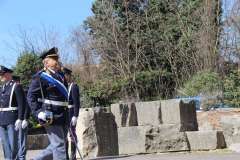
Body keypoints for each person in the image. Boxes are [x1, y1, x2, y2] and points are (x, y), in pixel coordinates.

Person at [27, 47, 68, 160]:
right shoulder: (41, 77)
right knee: (59, 146)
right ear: (46, 62)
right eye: (53, 58)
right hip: (50, 115)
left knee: (59, 144)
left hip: (63, 115)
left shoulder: (60, 75)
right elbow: (31, 96)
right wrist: (38, 112)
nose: (57, 60)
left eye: (56, 58)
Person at [0, 66, 25, 160]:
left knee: (13, 145)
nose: (1, 76)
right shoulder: (2, 88)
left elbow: (21, 104)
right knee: (5, 145)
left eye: (2, 74)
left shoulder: (16, 86)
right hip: (2, 120)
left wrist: (20, 118)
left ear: (8, 74)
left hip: (12, 119)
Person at [62, 67, 80, 160]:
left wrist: (75, 115)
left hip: (71, 113)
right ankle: (66, 157)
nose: (64, 77)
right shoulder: (63, 86)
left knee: (72, 134)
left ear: (69, 75)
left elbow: (77, 102)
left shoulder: (73, 86)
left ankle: (73, 156)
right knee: (64, 136)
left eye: (65, 75)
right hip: (64, 115)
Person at [12, 75, 30, 160]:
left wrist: (26, 118)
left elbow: (27, 105)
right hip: (15, 121)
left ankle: (22, 158)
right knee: (15, 141)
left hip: (22, 120)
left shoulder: (24, 91)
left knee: (21, 141)